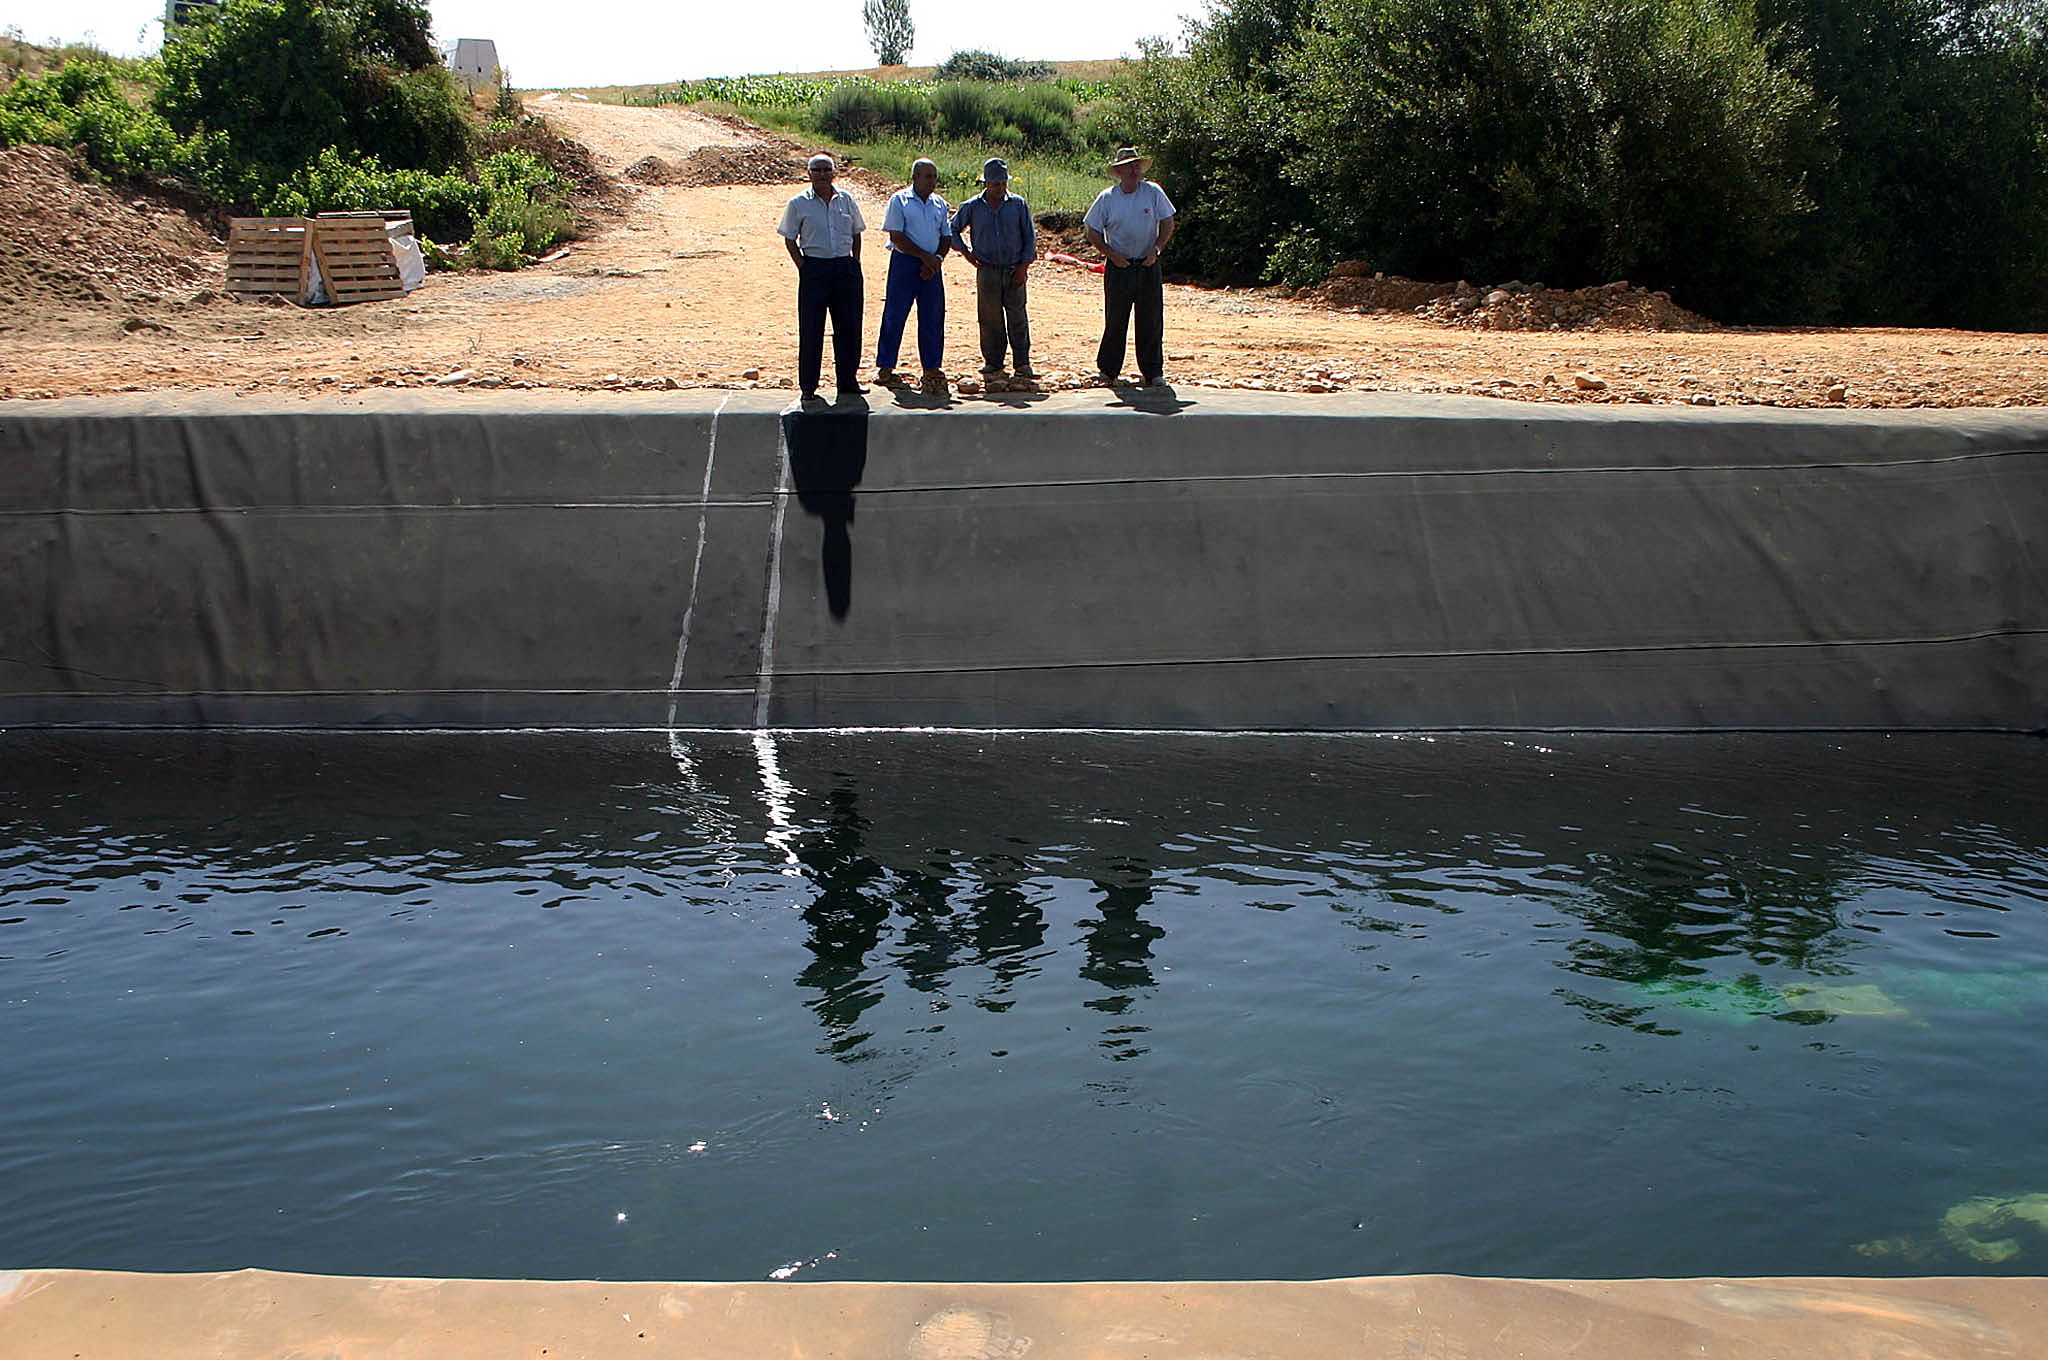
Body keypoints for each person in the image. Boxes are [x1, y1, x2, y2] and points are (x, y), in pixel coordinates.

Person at [777, 152, 866, 406]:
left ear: (834, 173)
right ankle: (808, 386)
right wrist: (803, 267)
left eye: (827, 169)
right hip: (814, 269)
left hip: (845, 268)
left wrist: (855, 262)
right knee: (812, 329)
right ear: (809, 174)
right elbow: (789, 238)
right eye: (817, 170)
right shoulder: (798, 203)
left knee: (849, 328)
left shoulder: (846, 200)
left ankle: (848, 382)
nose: (823, 174)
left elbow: (856, 233)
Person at [1083, 147, 1177, 387]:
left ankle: (1153, 372)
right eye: (1129, 166)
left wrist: (1156, 249)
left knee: (1151, 319)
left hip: (1148, 264)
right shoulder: (1107, 198)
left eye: (1137, 165)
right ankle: (1108, 371)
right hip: (1119, 266)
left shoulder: (1153, 192)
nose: (1135, 170)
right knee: (1116, 319)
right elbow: (1091, 230)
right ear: (1119, 171)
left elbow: (1168, 222)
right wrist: (1110, 254)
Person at [950, 157, 1037, 380]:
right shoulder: (972, 206)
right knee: (989, 318)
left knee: (1017, 316)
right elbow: (952, 230)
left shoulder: (1018, 204)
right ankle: (993, 362)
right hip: (987, 270)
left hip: (1014, 269)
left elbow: (1029, 237)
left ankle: (1022, 363)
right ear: (986, 183)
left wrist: (1024, 267)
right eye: (995, 183)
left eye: (1003, 183)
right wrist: (967, 253)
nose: (1000, 188)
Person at [875, 158, 953, 394]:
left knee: (933, 316)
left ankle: (931, 367)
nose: (932, 181)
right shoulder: (899, 200)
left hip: (932, 266)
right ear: (915, 177)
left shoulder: (940, 204)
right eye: (927, 176)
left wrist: (936, 259)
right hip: (905, 263)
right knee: (895, 314)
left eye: (934, 176)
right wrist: (923, 257)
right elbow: (896, 236)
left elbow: (946, 237)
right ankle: (886, 366)